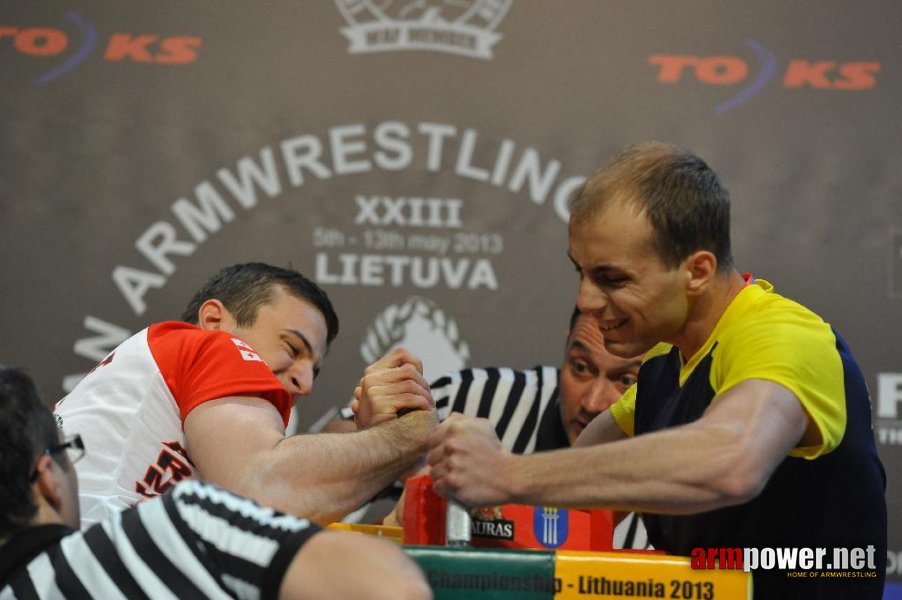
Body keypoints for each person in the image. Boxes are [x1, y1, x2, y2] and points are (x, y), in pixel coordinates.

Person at [425, 142, 887, 598]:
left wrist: (505, 475)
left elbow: (732, 463)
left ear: (698, 271)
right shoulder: (668, 359)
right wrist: (441, 495)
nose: (584, 301)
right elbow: (580, 492)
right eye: (580, 274)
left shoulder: (785, 335)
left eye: (612, 279)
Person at [54, 262, 436, 528]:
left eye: (315, 369)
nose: (306, 383)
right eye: (291, 347)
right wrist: (411, 435)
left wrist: (374, 445)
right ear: (215, 321)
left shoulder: (155, 385)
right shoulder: (211, 346)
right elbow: (264, 493)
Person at [0, 365, 431, 599]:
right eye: (68, 451)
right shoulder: (168, 530)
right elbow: (390, 585)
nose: (302, 380)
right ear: (47, 478)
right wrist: (409, 436)